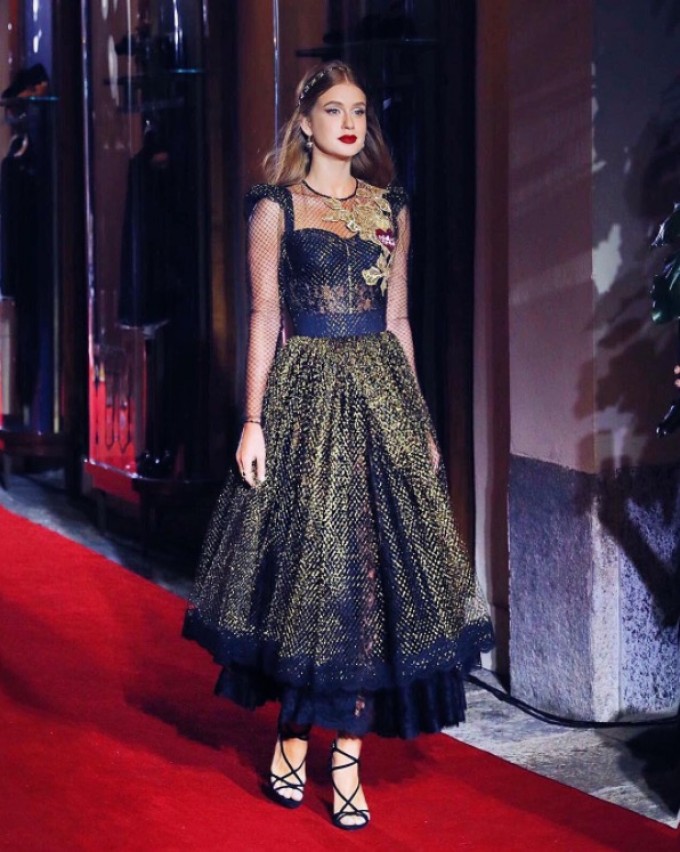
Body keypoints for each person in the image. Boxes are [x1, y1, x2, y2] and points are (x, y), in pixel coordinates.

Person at [183, 61, 494, 831]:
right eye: (333, 109)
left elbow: (399, 320)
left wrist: (420, 424)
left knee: (372, 581)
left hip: (382, 400)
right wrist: (252, 420)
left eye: (358, 110)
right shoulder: (276, 207)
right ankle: (294, 733)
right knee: (311, 572)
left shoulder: (391, 207)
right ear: (306, 122)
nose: (349, 123)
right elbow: (264, 316)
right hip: (306, 400)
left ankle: (347, 758)